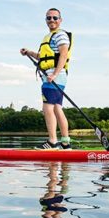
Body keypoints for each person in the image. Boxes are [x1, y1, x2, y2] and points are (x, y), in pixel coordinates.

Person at [20, 8, 72, 149]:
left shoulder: (60, 35)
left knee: (47, 108)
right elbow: (42, 57)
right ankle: (66, 143)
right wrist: (29, 52)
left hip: (54, 77)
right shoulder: (48, 37)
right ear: (45, 20)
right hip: (54, 77)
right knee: (57, 108)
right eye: (48, 18)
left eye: (55, 18)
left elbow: (64, 55)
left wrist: (54, 74)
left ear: (60, 20)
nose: (52, 20)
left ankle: (53, 141)